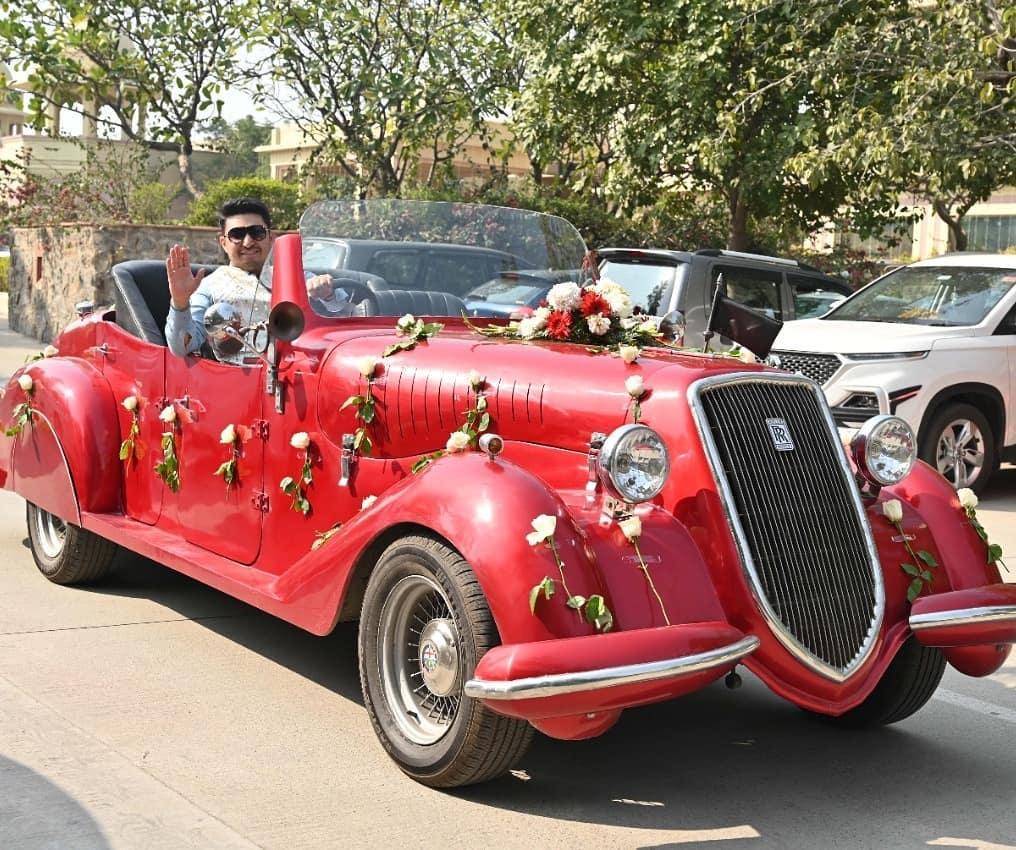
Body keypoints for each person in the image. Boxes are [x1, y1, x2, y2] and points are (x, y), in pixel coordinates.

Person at [165, 197, 338, 363]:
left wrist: (328, 295)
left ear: (271, 238)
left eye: (257, 233)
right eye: (237, 234)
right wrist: (180, 302)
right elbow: (182, 347)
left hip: (306, 372)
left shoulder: (300, 277)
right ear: (224, 243)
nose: (248, 243)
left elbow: (351, 324)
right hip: (238, 382)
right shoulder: (208, 286)